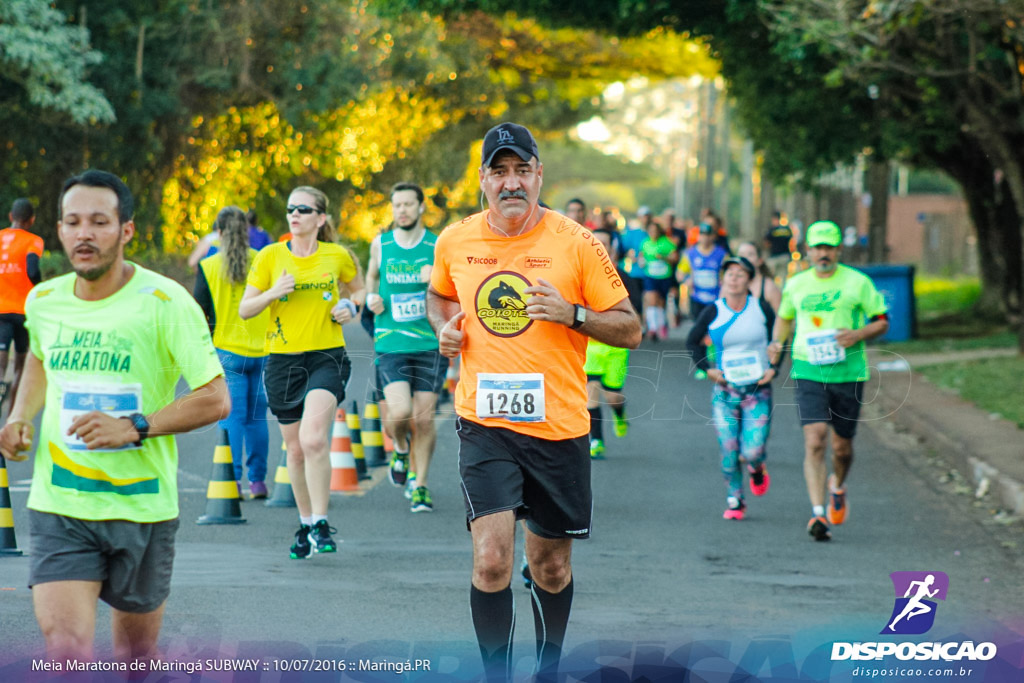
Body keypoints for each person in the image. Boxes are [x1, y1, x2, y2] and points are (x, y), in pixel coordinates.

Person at [427, 122, 641, 682]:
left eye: (522, 170)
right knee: (492, 559)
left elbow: (630, 328)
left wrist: (572, 314)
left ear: (539, 175)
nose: (512, 183)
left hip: (558, 427)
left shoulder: (577, 242)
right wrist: (444, 329)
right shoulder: (455, 240)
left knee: (549, 565)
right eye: (500, 172)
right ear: (482, 181)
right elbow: (439, 296)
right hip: (484, 423)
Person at [0, 170, 228, 662]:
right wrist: (20, 414)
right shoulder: (44, 301)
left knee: (135, 660)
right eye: (73, 222)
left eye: (99, 222)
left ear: (126, 230)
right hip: (61, 505)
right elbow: (39, 358)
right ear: (58, 230)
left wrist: (133, 427)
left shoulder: (166, 303)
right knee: (65, 652)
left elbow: (214, 397)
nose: (85, 233)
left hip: (142, 509)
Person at [240, 186, 365, 559]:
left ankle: (322, 522)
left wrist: (349, 306)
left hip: (326, 356)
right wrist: (273, 292)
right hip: (282, 361)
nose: (294, 215)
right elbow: (246, 309)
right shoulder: (270, 256)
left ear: (320, 218)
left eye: (303, 209)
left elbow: (357, 291)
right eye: (290, 208)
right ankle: (306, 522)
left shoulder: (336, 255)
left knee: (313, 439)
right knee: (294, 450)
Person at [768, 220, 889, 542]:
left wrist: (858, 334)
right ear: (807, 250)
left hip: (848, 373)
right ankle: (818, 513)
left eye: (829, 247)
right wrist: (777, 344)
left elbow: (881, 321)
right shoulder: (796, 284)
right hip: (809, 369)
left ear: (838, 250)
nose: (823, 254)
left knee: (842, 447)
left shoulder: (857, 282)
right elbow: (785, 317)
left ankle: (838, 486)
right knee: (816, 439)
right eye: (818, 247)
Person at [365, 182, 448, 513]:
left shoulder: (437, 245)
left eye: (408, 205)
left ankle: (421, 486)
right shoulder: (380, 244)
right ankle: (400, 448)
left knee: (424, 419)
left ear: (421, 207)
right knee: (399, 413)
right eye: (397, 205)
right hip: (391, 341)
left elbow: (453, 289)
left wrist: (436, 280)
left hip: (429, 343)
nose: (402, 211)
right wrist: (371, 297)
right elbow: (371, 278)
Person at [686, 256, 778, 520]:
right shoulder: (713, 310)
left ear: (749, 280)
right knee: (729, 449)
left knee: (752, 450)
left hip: (757, 391)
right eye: (730, 274)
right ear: (722, 279)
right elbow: (693, 342)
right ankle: (735, 499)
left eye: (740, 274)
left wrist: (774, 367)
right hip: (725, 391)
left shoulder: (760, 308)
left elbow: (777, 340)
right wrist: (707, 369)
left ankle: (757, 466)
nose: (735, 278)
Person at [194, 206, 271, 499]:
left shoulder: (209, 265)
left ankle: (232, 480)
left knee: (231, 417)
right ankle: (258, 481)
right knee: (256, 417)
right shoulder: (262, 261)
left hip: (227, 349)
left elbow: (200, 310)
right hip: (262, 349)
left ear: (220, 233)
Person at [0, 199, 44, 416]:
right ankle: (11, 418)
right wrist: (40, 290)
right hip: (24, 312)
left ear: (11, 216)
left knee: (0, 366)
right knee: (19, 366)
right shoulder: (33, 241)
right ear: (31, 220)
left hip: (0, 312)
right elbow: (33, 270)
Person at [678, 222, 730, 323]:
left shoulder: (722, 254)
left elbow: (729, 271)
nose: (705, 238)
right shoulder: (690, 254)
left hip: (715, 298)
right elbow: (680, 273)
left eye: (708, 235)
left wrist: (724, 281)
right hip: (697, 298)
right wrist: (686, 280)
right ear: (698, 236)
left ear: (713, 236)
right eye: (702, 234)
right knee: (698, 327)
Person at [637, 214, 677, 341]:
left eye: (655, 231)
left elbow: (675, 257)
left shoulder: (666, 242)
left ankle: (661, 325)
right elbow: (641, 256)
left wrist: (664, 257)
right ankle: (652, 328)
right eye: (651, 231)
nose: (653, 233)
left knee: (661, 302)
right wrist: (641, 261)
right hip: (650, 275)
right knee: (651, 299)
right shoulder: (645, 243)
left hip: (664, 275)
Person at [736, 241, 782, 314]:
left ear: (760, 261)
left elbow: (781, 318)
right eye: (741, 254)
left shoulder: (769, 287)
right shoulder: (729, 285)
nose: (745, 258)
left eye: (750, 254)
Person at [763, 210, 794, 286]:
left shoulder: (772, 230)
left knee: (770, 277)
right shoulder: (787, 229)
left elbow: (766, 243)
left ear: (774, 219)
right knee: (783, 278)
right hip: (785, 256)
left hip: (774, 257)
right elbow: (792, 242)